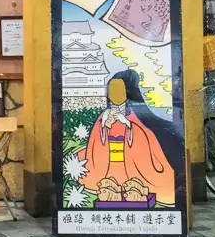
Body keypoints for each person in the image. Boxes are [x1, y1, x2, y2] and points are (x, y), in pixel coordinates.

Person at [73, 76, 175, 205]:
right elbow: (96, 141)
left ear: (127, 92)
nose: (115, 94)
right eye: (112, 90)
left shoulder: (136, 114)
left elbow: (145, 136)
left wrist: (128, 124)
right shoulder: (104, 116)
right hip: (106, 164)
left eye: (119, 90)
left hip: (132, 164)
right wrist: (104, 125)